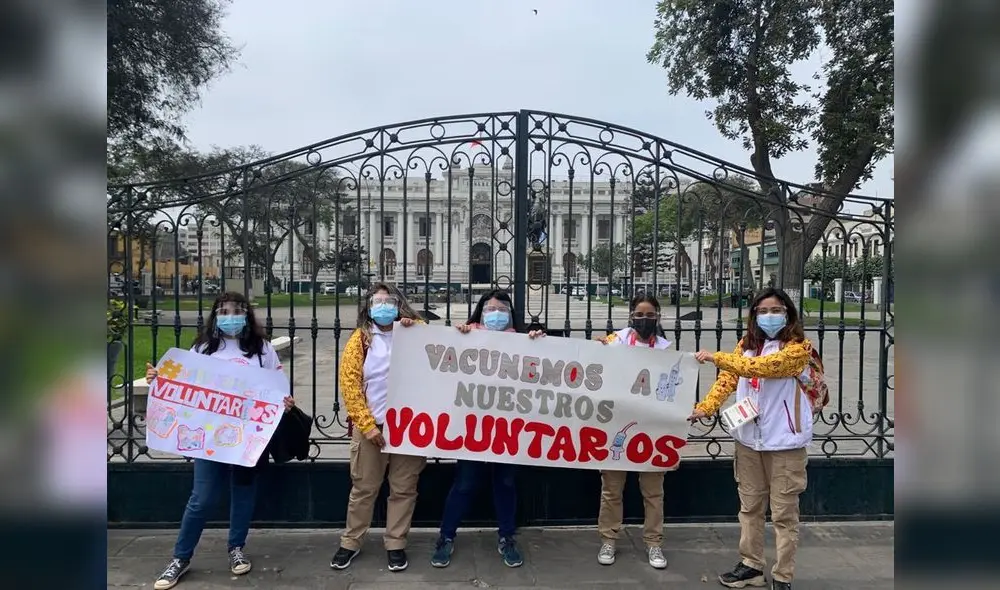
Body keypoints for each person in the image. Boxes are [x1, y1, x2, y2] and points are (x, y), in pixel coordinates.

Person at [149, 292, 295, 590]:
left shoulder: (262, 349)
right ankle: (180, 557)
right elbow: (182, 383)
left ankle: (236, 547)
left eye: (238, 311)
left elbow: (277, 386)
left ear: (247, 315)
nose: (231, 316)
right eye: (225, 311)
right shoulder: (203, 348)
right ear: (215, 315)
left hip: (248, 437)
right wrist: (159, 379)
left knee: (243, 492)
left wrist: (285, 401)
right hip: (208, 436)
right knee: (201, 498)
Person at [688, 287, 813, 590]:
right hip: (748, 440)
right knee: (750, 507)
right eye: (763, 311)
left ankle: (783, 575)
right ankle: (751, 565)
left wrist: (717, 357)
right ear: (754, 315)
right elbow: (729, 379)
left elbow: (764, 368)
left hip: (785, 441)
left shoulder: (798, 349)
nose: (770, 316)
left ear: (788, 313)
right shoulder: (747, 345)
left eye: (776, 310)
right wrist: (705, 407)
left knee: (784, 514)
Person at [430, 289, 546, 569]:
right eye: (489, 308)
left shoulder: (523, 340)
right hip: (473, 428)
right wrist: (457, 336)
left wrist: (539, 343)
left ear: (510, 313)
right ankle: (446, 536)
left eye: (501, 308)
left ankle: (507, 537)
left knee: (505, 484)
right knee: (465, 483)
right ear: (481, 312)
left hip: (508, 428)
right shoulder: (468, 336)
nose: (495, 313)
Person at [329, 283, 426, 573]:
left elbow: (443, 354)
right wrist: (367, 425)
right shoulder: (360, 340)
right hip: (372, 426)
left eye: (389, 301)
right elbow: (350, 385)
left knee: (404, 489)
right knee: (364, 488)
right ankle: (351, 541)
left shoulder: (414, 333)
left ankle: (395, 543)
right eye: (378, 301)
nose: (383, 306)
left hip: (409, 428)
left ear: (400, 305)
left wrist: (417, 325)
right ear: (369, 307)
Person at [593, 292, 670, 570]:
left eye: (650, 315)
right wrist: (598, 347)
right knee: (612, 489)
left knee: (653, 491)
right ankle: (609, 538)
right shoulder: (615, 343)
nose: (645, 320)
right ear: (631, 317)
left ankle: (654, 543)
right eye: (640, 315)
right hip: (617, 426)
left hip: (652, 430)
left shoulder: (666, 350)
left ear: (658, 318)